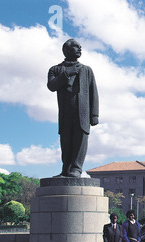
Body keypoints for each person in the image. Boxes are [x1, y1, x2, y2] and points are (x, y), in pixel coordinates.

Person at [47, 39, 99, 178]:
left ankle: (76, 168)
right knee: (66, 141)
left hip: (83, 113)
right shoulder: (55, 69)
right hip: (65, 112)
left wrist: (94, 115)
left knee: (80, 141)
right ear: (66, 50)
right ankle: (66, 169)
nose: (80, 49)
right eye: (76, 47)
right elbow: (52, 86)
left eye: (80, 47)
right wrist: (67, 73)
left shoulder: (87, 70)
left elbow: (93, 92)